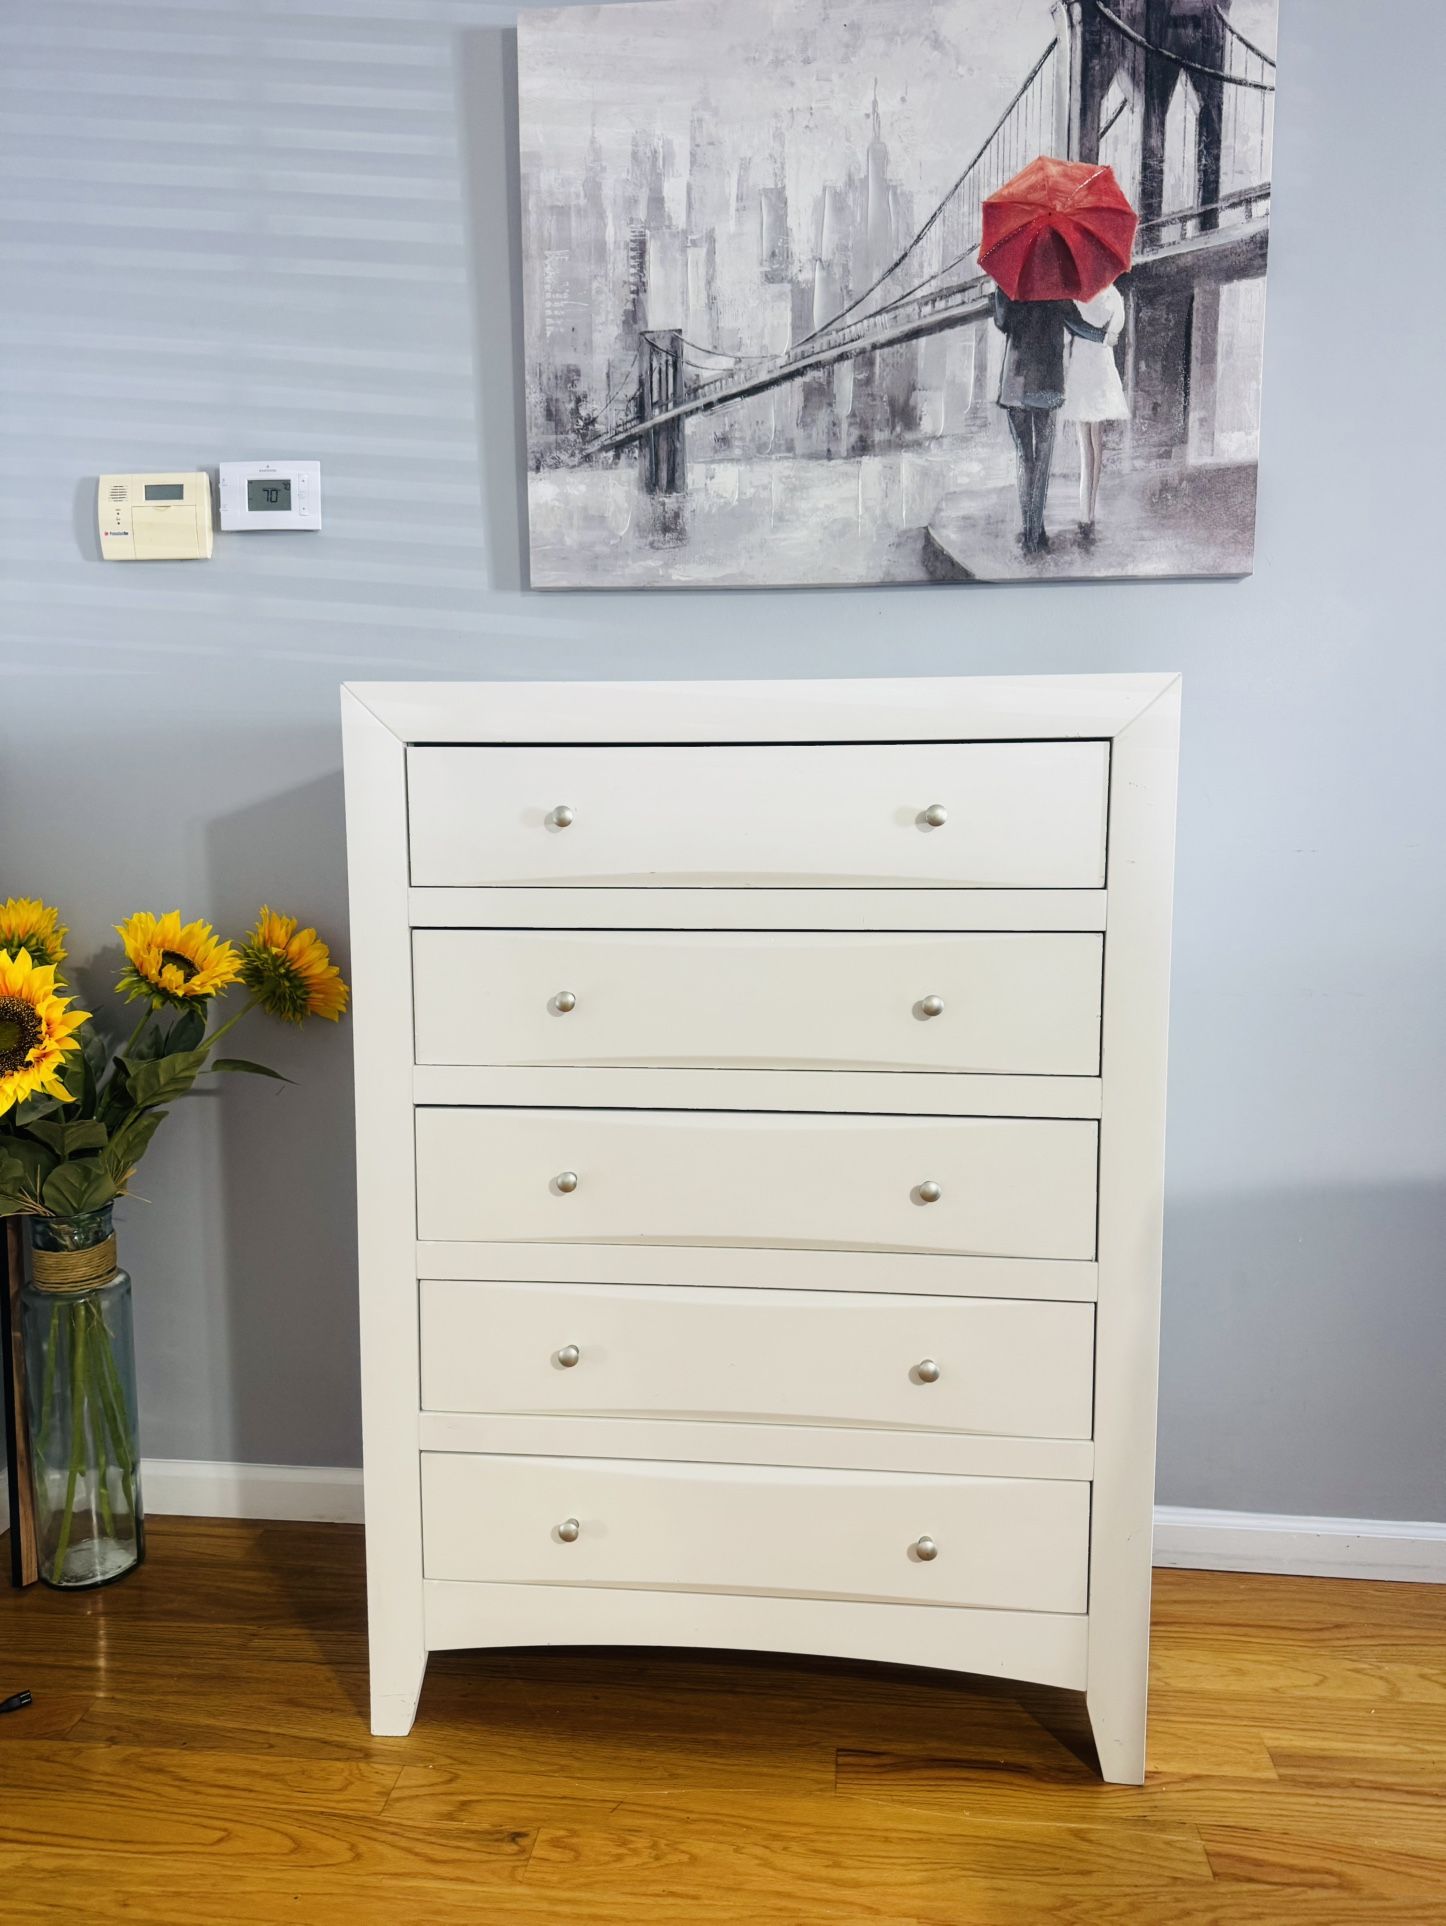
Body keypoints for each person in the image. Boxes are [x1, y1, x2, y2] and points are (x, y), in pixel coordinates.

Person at [992, 288, 1106, 554]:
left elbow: (1002, 322)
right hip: (1045, 384)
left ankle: (1032, 529)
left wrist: (999, 295)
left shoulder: (1009, 283)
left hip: (1015, 384)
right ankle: (1036, 534)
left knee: (1024, 457)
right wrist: (1104, 335)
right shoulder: (1055, 285)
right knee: (1042, 459)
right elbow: (1076, 324)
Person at [1062, 281, 1129, 539]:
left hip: (1082, 368)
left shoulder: (1076, 293)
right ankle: (1091, 507)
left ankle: (1084, 512)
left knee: (1084, 445)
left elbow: (1070, 328)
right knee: (1096, 442)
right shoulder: (1112, 294)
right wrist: (1105, 332)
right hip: (1101, 368)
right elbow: (1115, 331)